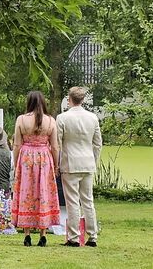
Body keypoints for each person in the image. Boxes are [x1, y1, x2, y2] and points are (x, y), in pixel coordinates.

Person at [11, 91, 60, 247]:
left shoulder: (22, 119)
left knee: (26, 192)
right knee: (43, 192)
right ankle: (43, 233)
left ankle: (26, 234)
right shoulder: (50, 120)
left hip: (26, 157)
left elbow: (17, 144)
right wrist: (56, 164)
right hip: (44, 158)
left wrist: (16, 161)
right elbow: (55, 146)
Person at [57, 87, 102, 247]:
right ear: (82, 100)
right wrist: (93, 159)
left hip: (70, 163)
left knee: (72, 202)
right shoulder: (93, 118)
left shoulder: (62, 118)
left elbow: (58, 143)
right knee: (88, 200)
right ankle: (93, 235)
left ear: (69, 99)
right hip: (88, 163)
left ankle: (74, 237)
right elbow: (97, 143)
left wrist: (57, 163)